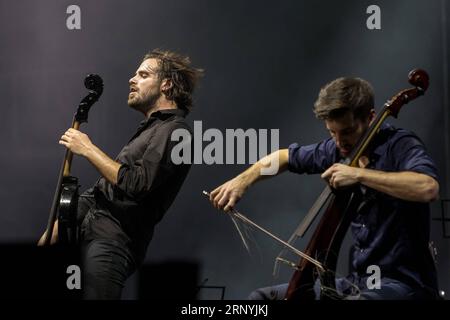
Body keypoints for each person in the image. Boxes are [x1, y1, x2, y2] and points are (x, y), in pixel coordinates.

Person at [209, 77, 440, 300]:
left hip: (403, 284)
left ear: (370, 118)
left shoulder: (399, 145)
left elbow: (427, 187)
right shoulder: (337, 150)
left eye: (347, 131)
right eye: (332, 132)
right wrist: (242, 180)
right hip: (358, 281)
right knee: (260, 298)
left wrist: (358, 174)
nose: (339, 142)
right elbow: (283, 157)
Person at [40, 49, 203, 299]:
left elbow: (136, 184)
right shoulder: (150, 129)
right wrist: (57, 227)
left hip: (112, 243)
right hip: (88, 232)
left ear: (166, 85)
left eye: (143, 74)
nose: (132, 79)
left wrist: (87, 149)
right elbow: (101, 192)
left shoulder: (176, 132)